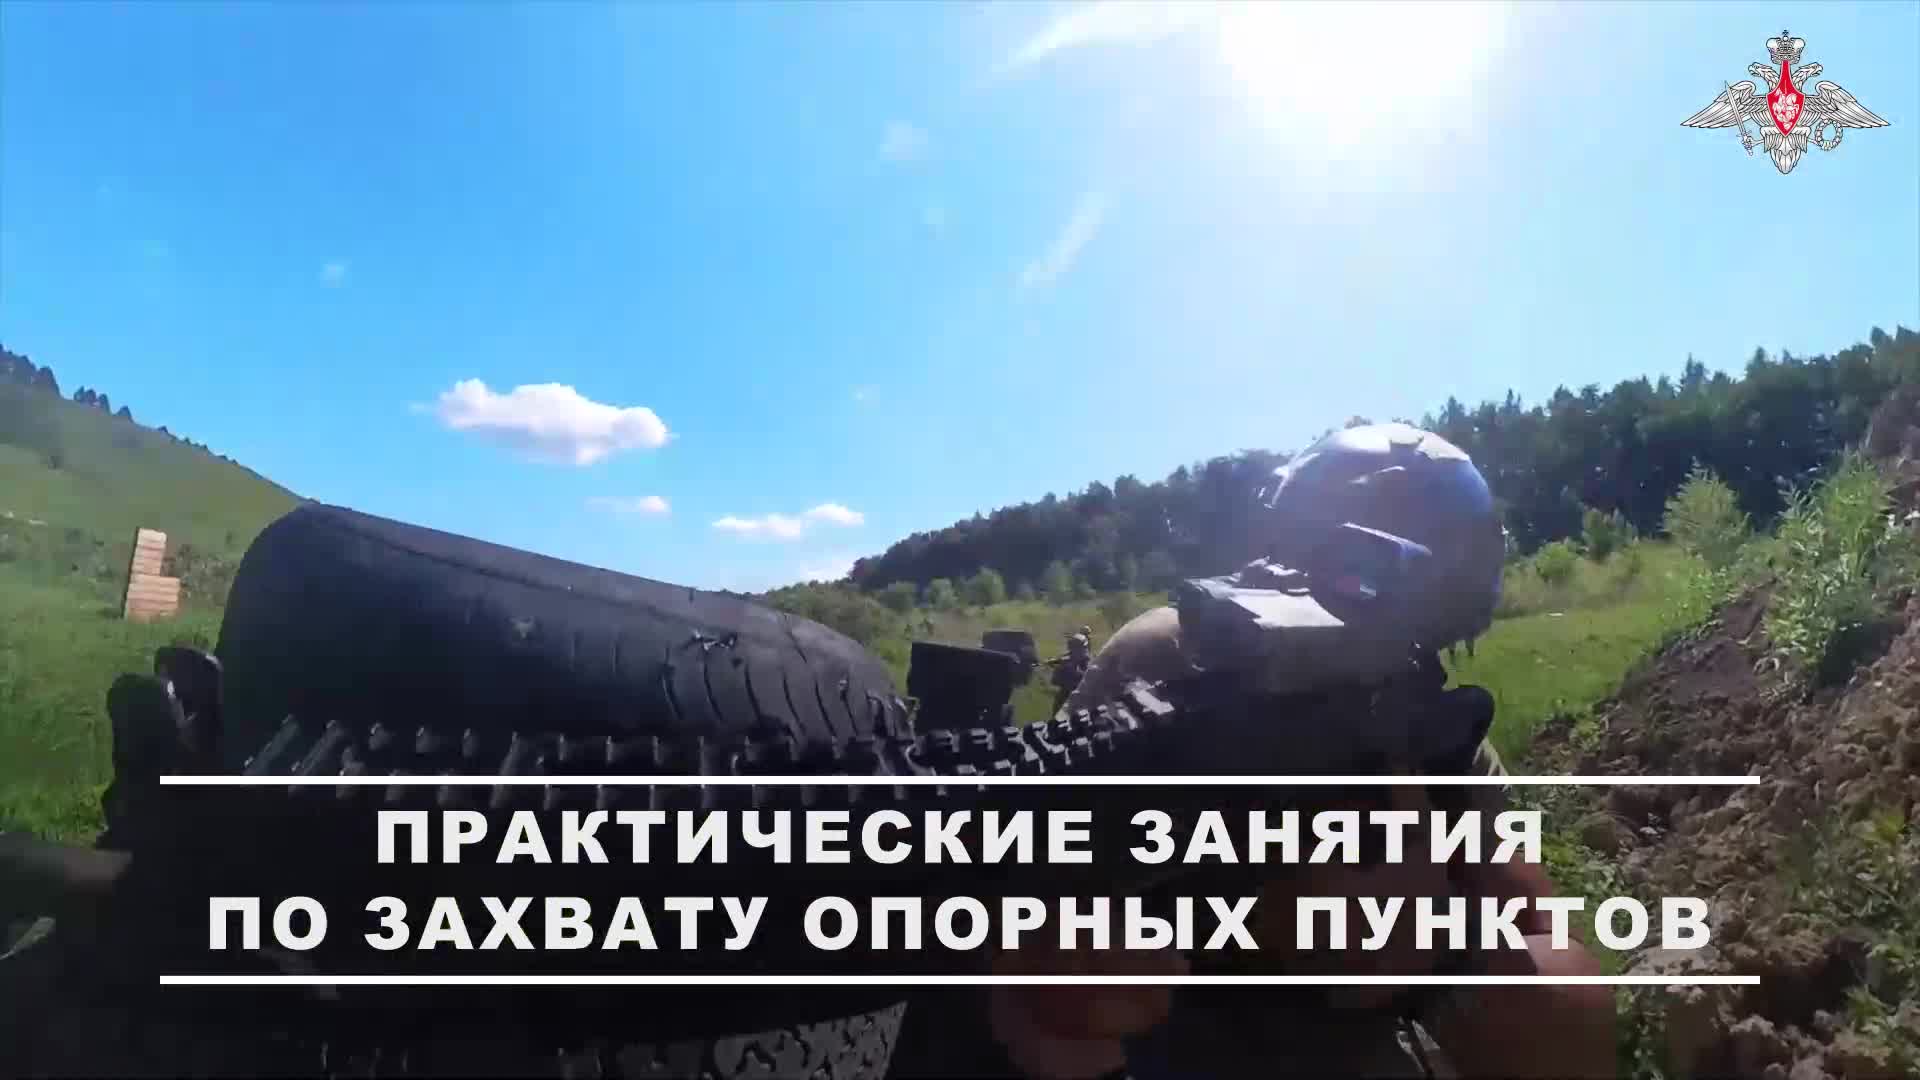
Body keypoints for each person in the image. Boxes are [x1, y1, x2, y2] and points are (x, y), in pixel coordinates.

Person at [992, 422, 1616, 1078]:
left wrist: (1432, 926)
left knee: (1552, 992)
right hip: (1188, 1004)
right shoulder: (1174, 651)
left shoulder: (1420, 707)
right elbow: (1047, 868)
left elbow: (1530, 916)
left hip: (1354, 1019)